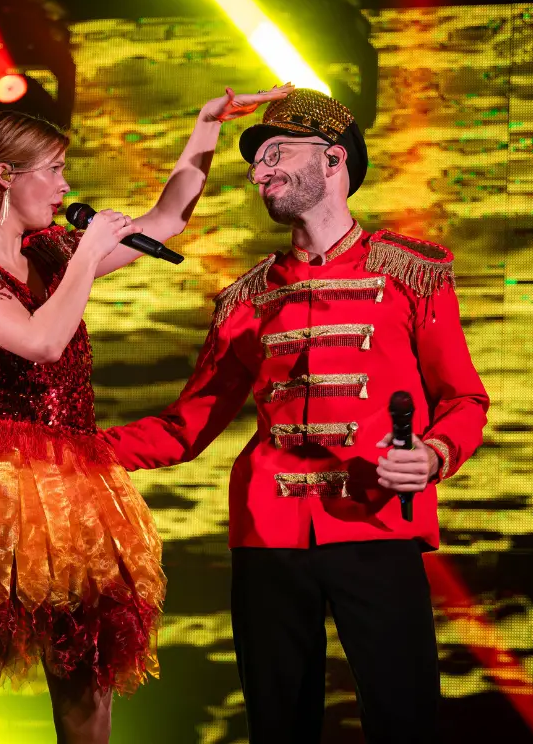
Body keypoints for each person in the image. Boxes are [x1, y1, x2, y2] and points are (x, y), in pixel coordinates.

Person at [0, 81, 292, 744]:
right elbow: (41, 339)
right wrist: (84, 252)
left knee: (88, 684)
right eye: (52, 170)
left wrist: (206, 125)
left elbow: (166, 221)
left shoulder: (47, 251)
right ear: (4, 175)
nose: (62, 185)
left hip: (70, 487)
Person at [101, 88, 490, 743]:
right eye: (255, 163)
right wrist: (73, 446)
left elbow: (463, 400)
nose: (259, 174)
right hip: (269, 540)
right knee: (278, 730)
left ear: (334, 160)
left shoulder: (411, 274)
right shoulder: (247, 299)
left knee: (405, 723)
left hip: (377, 530)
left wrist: (430, 456)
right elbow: (185, 428)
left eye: (276, 154)